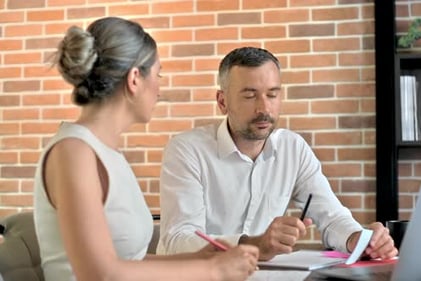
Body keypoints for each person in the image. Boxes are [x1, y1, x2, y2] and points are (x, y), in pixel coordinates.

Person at [33, 17, 258, 281]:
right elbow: (99, 274)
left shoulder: (106, 153)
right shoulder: (74, 153)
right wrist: (214, 270)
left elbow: (128, 262)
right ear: (135, 79)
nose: (160, 89)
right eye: (158, 74)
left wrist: (201, 258)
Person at [157, 46, 398, 261]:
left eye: (272, 94)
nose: (264, 108)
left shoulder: (293, 149)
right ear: (222, 102)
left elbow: (332, 217)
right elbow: (178, 240)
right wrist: (254, 245)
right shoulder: (187, 150)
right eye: (250, 95)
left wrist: (358, 240)